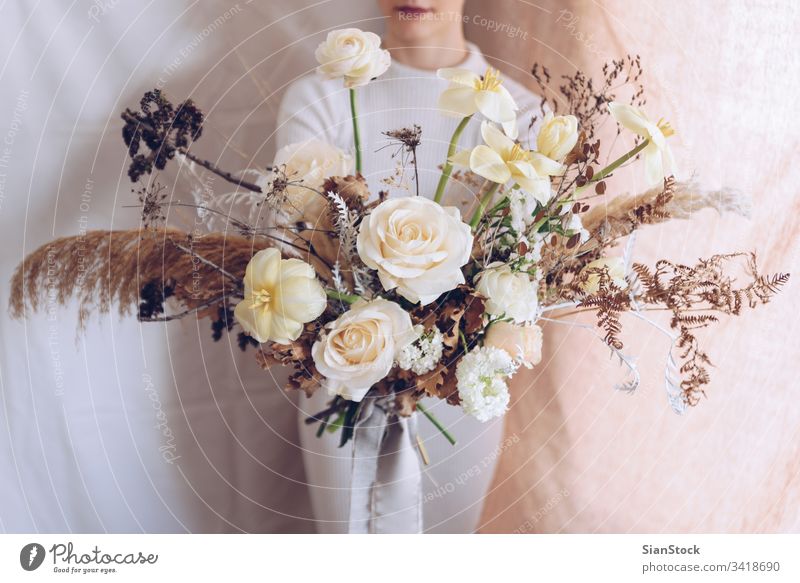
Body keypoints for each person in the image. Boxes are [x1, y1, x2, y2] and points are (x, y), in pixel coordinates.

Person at [275, 0, 545, 533]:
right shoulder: (323, 99)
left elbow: (525, 269)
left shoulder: (523, 115)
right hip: (343, 376)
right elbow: (297, 254)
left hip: (461, 391)